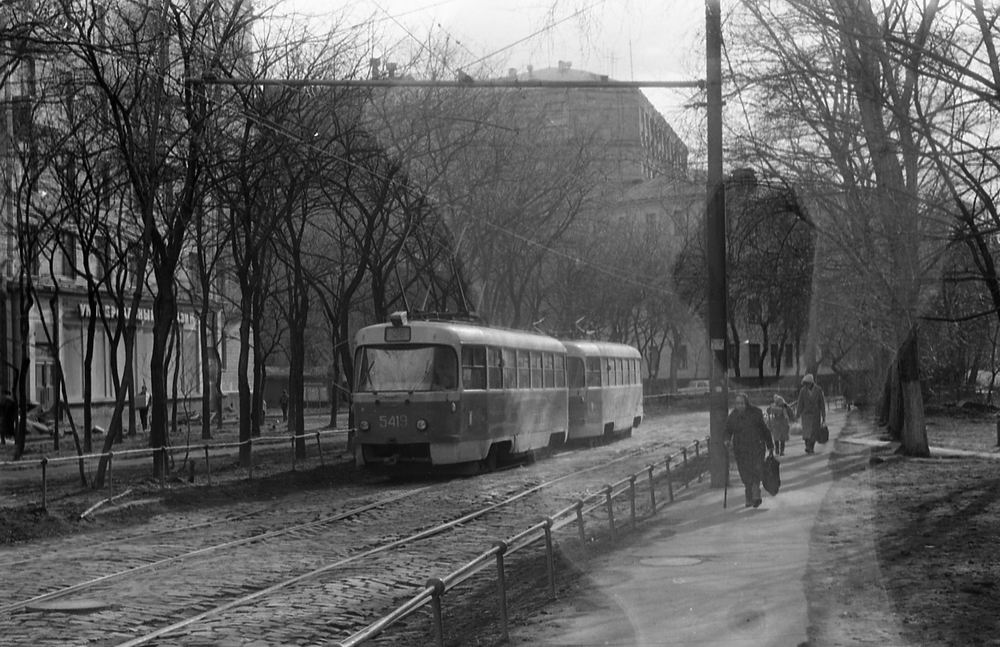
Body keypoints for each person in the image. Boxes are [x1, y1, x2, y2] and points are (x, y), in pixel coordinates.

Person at [725, 392, 774, 508]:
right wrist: (726, 440)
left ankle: (755, 495)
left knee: (756, 471)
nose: (740, 405)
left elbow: (764, 429)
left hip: (756, 447)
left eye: (742, 403)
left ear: (746, 403)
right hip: (741, 450)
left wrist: (770, 445)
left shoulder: (756, 413)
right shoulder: (733, 416)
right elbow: (727, 430)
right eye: (737, 403)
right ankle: (749, 496)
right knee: (745, 474)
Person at [796, 373, 826, 453]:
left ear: (811, 383)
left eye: (807, 383)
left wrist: (823, 416)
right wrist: (797, 414)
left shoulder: (818, 390)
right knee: (806, 433)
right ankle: (807, 446)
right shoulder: (803, 391)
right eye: (805, 384)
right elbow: (800, 403)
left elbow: (822, 403)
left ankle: (811, 447)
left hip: (815, 415)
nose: (806, 385)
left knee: (814, 433)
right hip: (806, 415)